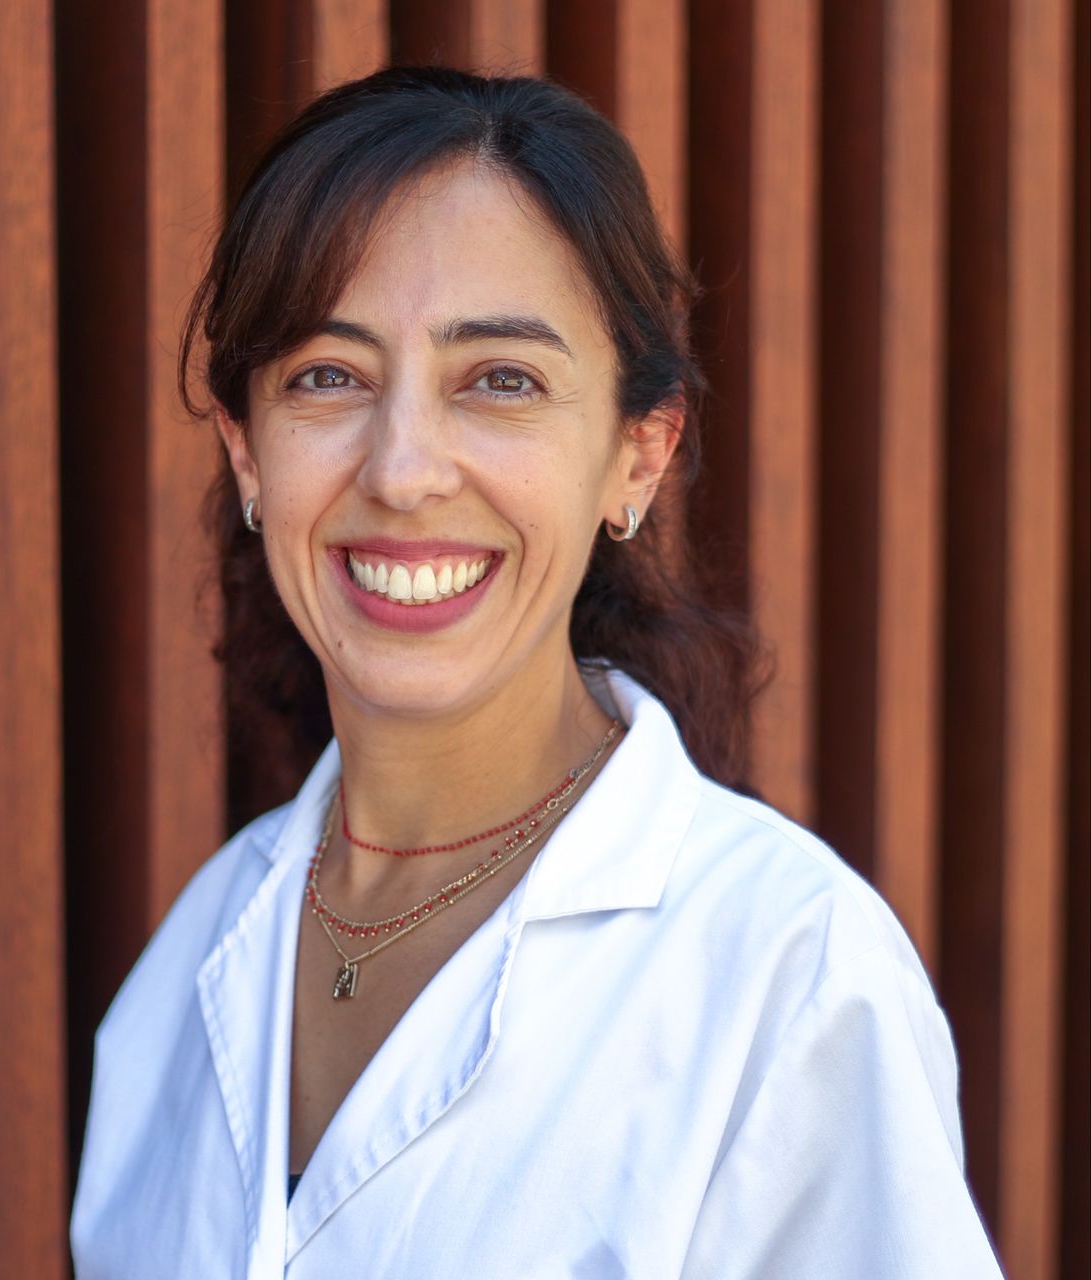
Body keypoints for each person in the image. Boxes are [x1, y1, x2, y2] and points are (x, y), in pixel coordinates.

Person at [71, 67, 1002, 1278]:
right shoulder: (188, 968)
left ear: (636, 455)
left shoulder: (788, 977)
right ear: (247, 454)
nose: (402, 470)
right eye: (327, 375)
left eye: (499, 379)